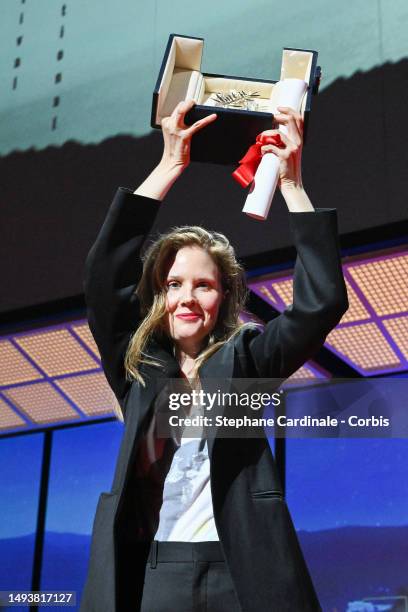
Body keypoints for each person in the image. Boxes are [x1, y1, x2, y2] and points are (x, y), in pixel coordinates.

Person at [80, 100, 348, 612]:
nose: (186, 297)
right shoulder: (135, 366)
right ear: (158, 294)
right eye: (173, 284)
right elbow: (100, 277)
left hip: (241, 569)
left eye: (203, 285)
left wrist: (291, 184)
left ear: (222, 297)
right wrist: (169, 165)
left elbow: (322, 303)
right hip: (154, 569)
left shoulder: (245, 359)